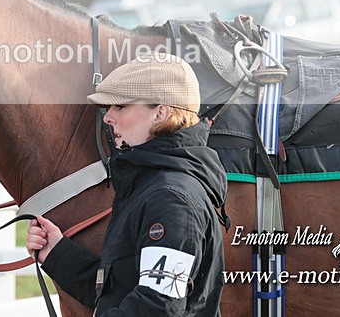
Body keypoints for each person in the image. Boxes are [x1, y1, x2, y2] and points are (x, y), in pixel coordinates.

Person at [26, 51, 228, 316]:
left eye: (120, 106)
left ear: (160, 113)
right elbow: (120, 287)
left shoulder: (171, 198)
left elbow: (157, 308)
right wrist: (57, 254)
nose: (108, 117)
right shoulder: (150, 184)